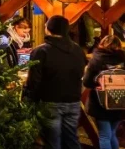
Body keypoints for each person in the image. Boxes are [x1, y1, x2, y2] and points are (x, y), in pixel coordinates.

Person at [25, 15, 87, 149]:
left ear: (48, 29)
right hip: (73, 101)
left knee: (52, 142)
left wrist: (29, 99)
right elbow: (81, 73)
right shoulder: (77, 50)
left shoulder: (41, 51)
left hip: (50, 102)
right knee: (71, 139)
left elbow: (34, 80)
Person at [83, 35, 125, 149]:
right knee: (112, 134)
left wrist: (97, 84)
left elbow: (86, 82)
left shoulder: (96, 59)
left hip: (101, 103)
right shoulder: (123, 59)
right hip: (120, 102)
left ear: (101, 44)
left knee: (104, 135)